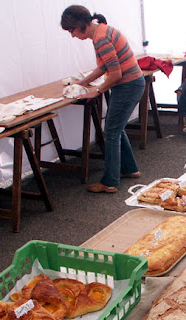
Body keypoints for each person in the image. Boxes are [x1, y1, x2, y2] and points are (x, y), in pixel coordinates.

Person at [61, 5, 145, 193]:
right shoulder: (102, 30)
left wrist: (96, 91)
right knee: (115, 128)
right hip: (131, 83)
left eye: (71, 30)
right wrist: (82, 82)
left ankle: (110, 182)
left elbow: (115, 74)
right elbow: (104, 67)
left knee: (111, 132)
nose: (72, 35)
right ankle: (130, 169)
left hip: (128, 85)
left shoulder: (100, 39)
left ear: (80, 24)